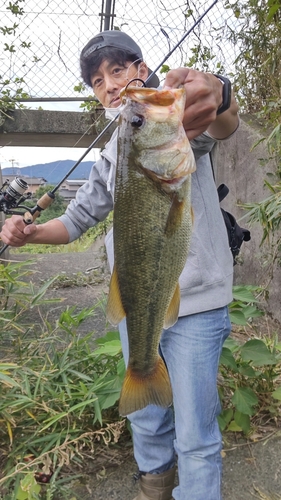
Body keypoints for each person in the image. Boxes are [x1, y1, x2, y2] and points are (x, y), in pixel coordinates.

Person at [0, 30, 239, 500]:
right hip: (135, 298)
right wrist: (29, 233)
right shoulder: (117, 152)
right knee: (146, 417)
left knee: (196, 433)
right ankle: (154, 484)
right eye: (96, 80)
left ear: (142, 70)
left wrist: (219, 91)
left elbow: (220, 122)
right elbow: (75, 219)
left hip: (199, 304)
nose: (109, 83)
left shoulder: (171, 126)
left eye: (118, 69)